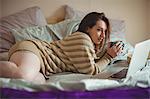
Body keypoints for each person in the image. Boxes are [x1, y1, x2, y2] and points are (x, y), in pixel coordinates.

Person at [0, 12, 123, 84]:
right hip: (37, 51)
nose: (102, 35)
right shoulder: (83, 39)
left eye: (104, 32)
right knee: (22, 76)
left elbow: (91, 61)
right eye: (99, 30)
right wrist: (108, 57)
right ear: (87, 28)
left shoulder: (88, 45)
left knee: (37, 83)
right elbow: (91, 71)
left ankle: (10, 62)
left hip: (44, 68)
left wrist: (108, 52)